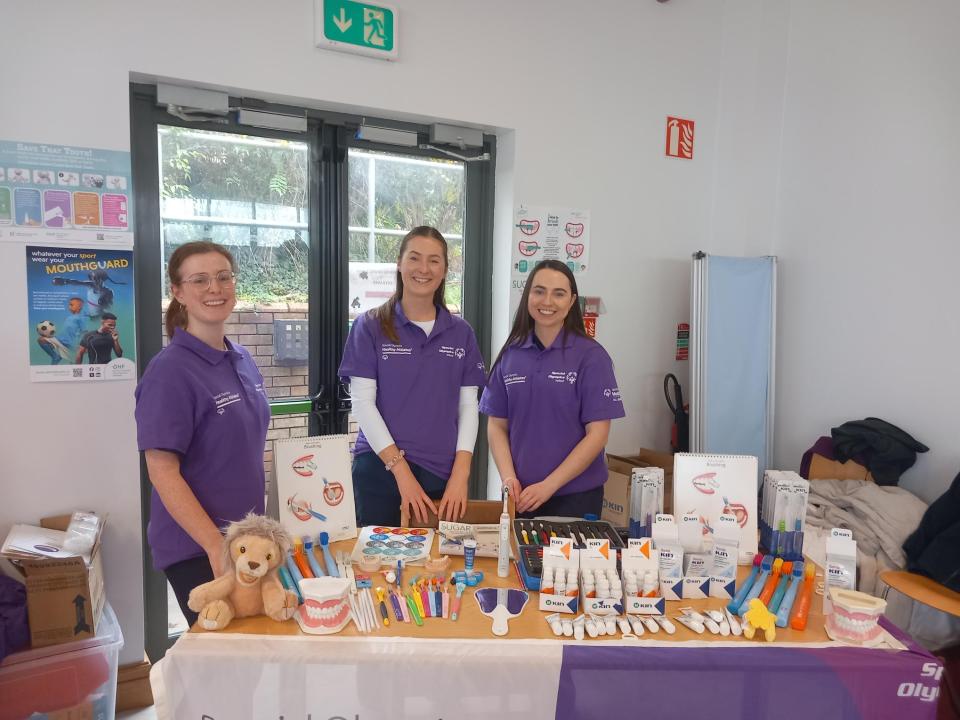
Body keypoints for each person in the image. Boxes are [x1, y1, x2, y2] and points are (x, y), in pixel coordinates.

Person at [134, 241, 269, 627]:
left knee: (250, 651)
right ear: (177, 292)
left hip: (244, 541)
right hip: (198, 547)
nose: (216, 288)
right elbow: (161, 471)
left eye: (224, 277)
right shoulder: (169, 372)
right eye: (200, 280)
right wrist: (215, 545)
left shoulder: (241, 358)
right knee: (222, 664)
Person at [339, 226, 486, 526]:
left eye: (434, 260)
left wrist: (461, 473)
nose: (423, 269)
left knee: (439, 569)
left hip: (441, 473)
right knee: (378, 568)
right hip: (380, 470)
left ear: (445, 269)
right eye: (415, 258)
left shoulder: (461, 333)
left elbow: (469, 406)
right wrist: (401, 473)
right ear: (399, 263)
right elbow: (363, 405)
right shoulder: (370, 326)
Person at [480, 260, 625, 519]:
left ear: (571, 301)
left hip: (576, 499)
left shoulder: (591, 357)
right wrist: (508, 477)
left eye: (559, 293)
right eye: (539, 291)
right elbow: (497, 425)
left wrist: (549, 486)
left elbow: (598, 434)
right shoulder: (510, 355)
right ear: (528, 296)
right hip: (521, 496)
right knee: (518, 561)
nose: (547, 301)